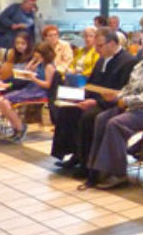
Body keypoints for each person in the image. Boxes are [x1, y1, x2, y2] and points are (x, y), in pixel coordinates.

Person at [82, 30, 143, 189]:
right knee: (102, 118)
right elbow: (130, 88)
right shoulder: (142, 65)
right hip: (136, 108)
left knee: (116, 124)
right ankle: (95, 170)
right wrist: (117, 97)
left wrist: (125, 100)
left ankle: (118, 173)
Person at [51, 28, 137, 171]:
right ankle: (75, 154)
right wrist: (79, 97)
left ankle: (88, 163)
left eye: (100, 46)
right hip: (94, 101)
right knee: (67, 110)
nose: (96, 49)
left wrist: (96, 102)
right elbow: (91, 84)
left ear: (112, 43)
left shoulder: (128, 61)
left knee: (89, 117)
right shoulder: (101, 59)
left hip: (112, 104)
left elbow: (123, 91)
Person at [0, 41, 58, 143]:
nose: (35, 54)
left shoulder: (49, 66)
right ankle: (16, 126)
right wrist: (33, 61)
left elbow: (48, 85)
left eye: (37, 53)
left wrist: (34, 79)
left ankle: (20, 128)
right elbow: (27, 71)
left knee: (5, 101)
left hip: (40, 91)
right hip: (31, 87)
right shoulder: (40, 63)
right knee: (0, 101)